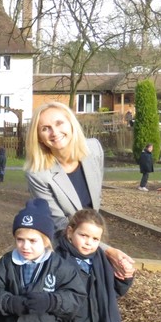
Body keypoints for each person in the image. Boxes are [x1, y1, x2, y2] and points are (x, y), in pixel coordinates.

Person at [24, 101, 135, 277]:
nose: (54, 132)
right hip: (64, 244)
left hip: (91, 234)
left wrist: (97, 242)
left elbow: (95, 201)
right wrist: (106, 250)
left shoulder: (94, 149)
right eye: (45, 128)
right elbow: (59, 223)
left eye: (59, 123)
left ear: (71, 123)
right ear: (38, 136)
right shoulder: (38, 174)